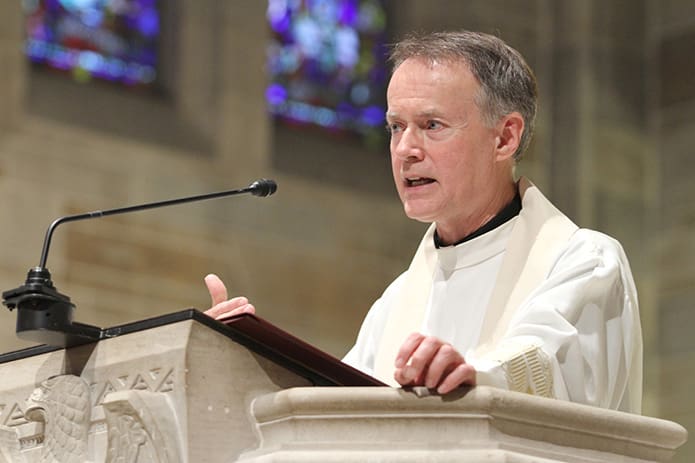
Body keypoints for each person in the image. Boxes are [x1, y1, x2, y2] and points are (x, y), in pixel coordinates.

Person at [204, 30, 643, 413]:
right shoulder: (397, 301)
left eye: (431, 125)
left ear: (505, 137)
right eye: (396, 127)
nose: (404, 149)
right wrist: (248, 361)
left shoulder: (582, 261)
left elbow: (548, 360)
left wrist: (470, 377)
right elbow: (339, 413)